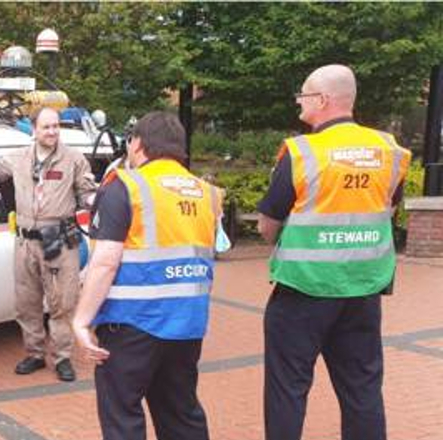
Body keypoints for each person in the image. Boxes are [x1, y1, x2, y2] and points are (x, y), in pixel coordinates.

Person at [257, 64, 411, 440]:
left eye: (304, 95)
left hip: (302, 292)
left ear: (323, 100)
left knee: (287, 390)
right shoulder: (388, 151)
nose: (299, 101)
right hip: (363, 289)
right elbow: (389, 208)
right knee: (362, 390)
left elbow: (267, 225)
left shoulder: (302, 151)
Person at [72, 111, 221, 440]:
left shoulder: (126, 186)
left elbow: (105, 261)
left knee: (123, 415)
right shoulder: (207, 194)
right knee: (181, 415)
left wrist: (82, 321)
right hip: (187, 326)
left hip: (131, 326)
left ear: (137, 144)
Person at [0, 107, 97, 382]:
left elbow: (87, 194)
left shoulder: (74, 159)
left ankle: (62, 358)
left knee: (63, 302)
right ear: (33, 129)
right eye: (46, 127)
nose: (52, 131)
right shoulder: (17, 159)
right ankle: (35, 354)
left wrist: (99, 200)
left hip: (59, 241)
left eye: (56, 126)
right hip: (25, 243)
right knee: (27, 302)